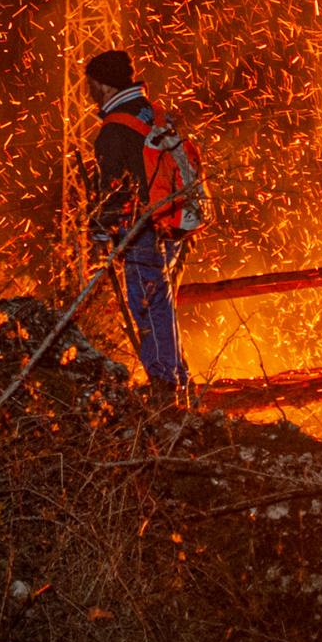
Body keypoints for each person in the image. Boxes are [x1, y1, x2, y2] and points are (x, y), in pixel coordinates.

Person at [84, 49, 189, 392]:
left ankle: (164, 384)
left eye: (90, 84)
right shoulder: (153, 112)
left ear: (102, 85)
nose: (88, 90)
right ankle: (178, 379)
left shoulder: (115, 129)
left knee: (147, 303)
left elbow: (113, 191)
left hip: (142, 229)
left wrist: (99, 233)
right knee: (162, 302)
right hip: (172, 223)